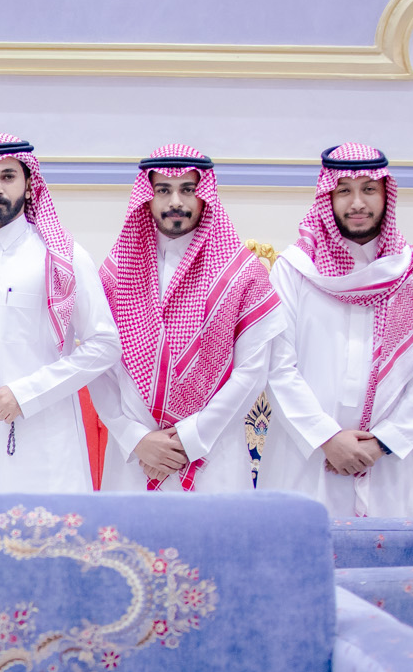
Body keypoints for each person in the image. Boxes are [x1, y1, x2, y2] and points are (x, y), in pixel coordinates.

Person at [262, 144, 413, 518]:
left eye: (369, 189)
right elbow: (276, 365)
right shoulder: (294, 270)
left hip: (388, 463)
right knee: (301, 547)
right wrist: (327, 437)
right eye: (344, 191)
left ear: (386, 194)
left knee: (387, 552)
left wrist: (384, 441)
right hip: (305, 456)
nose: (357, 203)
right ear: (328, 196)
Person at [0, 135, 118, 492]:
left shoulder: (62, 257)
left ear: (29, 183)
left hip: (46, 450)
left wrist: (29, 393)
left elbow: (104, 344)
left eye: (8, 176)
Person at [90, 147, 280, 492]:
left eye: (187, 189)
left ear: (204, 194)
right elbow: (100, 366)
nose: (175, 201)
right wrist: (134, 437)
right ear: (147, 197)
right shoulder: (115, 274)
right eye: (163, 190)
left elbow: (251, 373)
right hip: (135, 458)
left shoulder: (241, 275)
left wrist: (189, 440)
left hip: (214, 456)